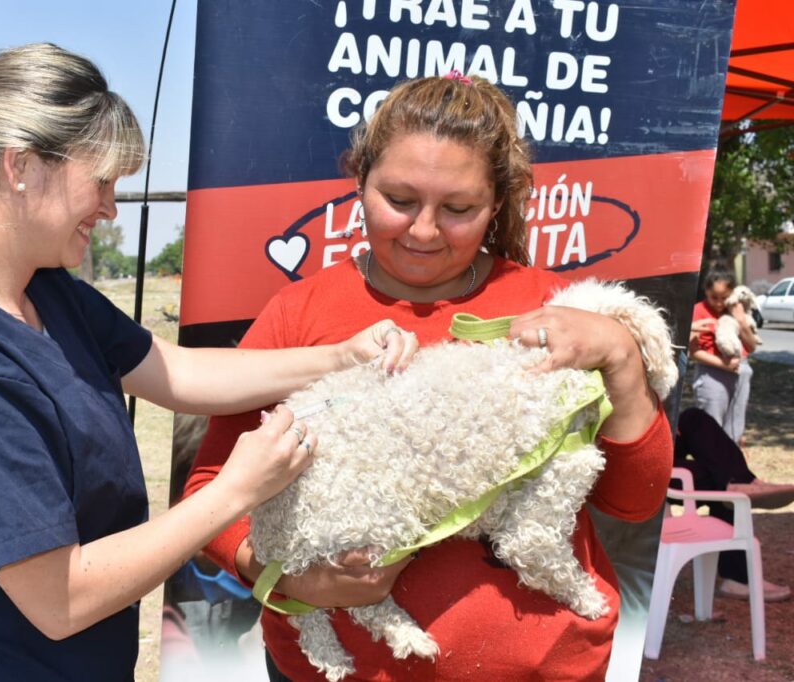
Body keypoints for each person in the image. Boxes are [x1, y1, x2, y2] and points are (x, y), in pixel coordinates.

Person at [0, 43, 420, 681]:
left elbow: (174, 373)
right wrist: (237, 490)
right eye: (99, 182)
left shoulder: (40, 288)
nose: (109, 208)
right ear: (21, 168)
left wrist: (341, 356)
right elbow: (60, 598)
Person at [184, 73, 674, 680]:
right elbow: (209, 485)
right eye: (399, 199)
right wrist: (276, 569)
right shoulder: (300, 313)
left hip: (542, 665)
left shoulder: (553, 307)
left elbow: (635, 500)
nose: (423, 230)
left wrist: (622, 357)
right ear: (359, 181)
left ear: (498, 203)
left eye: (459, 209)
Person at [673, 407, 794, 602]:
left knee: (693, 418)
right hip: (635, 465)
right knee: (719, 478)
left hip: (654, 441)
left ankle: (741, 481)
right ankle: (738, 578)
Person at [689, 270, 759, 444]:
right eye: (714, 297)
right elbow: (693, 352)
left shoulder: (736, 309)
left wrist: (741, 320)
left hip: (740, 372)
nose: (719, 303)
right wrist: (723, 364)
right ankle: (709, 468)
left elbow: (751, 345)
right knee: (711, 428)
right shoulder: (698, 311)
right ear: (706, 291)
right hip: (712, 375)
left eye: (724, 297)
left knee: (735, 426)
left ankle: (731, 465)